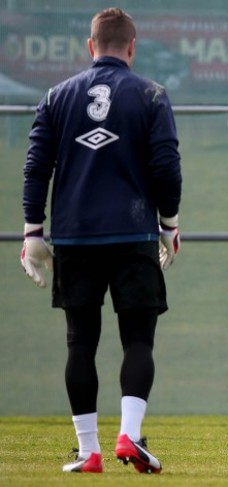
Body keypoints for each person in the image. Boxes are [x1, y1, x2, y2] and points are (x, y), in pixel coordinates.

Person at [20, 8, 182, 474]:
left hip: (75, 237)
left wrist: (33, 232)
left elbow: (35, 168)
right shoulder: (151, 95)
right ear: (132, 47)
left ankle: (88, 451)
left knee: (80, 343)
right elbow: (166, 166)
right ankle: (129, 438)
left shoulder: (55, 96)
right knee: (137, 340)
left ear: (90, 47)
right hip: (134, 233)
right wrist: (168, 225)